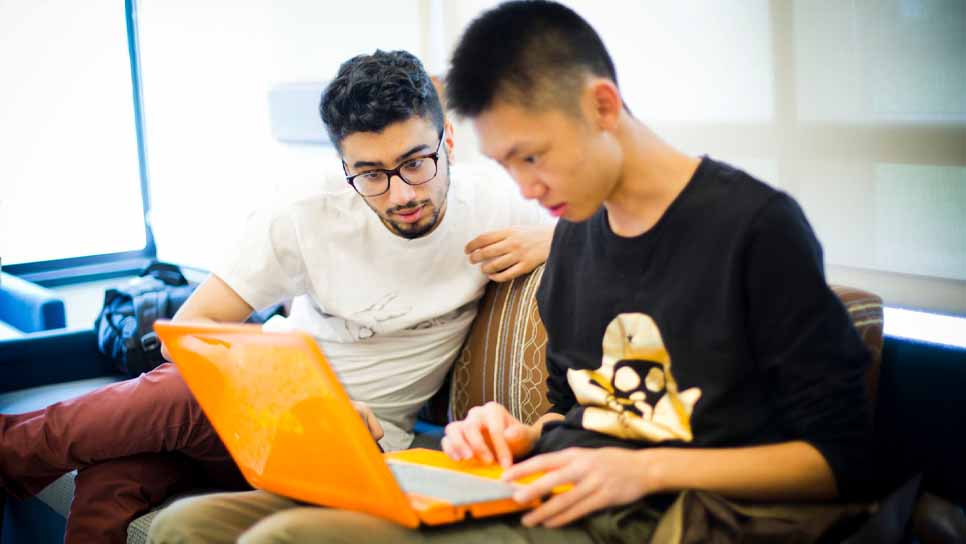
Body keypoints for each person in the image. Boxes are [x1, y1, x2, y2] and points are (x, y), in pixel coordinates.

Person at [147, 2, 877, 543]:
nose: (525, 191)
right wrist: (513, 434)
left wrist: (648, 470)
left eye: (533, 156)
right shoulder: (575, 240)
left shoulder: (754, 229)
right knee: (189, 527)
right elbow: (578, 417)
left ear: (602, 106)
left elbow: (840, 458)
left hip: (657, 515)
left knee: (284, 541)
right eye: (506, 166)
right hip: (554, 488)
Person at [0, 49, 553, 543]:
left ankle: (12, 451)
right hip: (264, 412)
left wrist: (553, 235)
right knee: (152, 427)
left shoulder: (497, 202)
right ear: (344, 168)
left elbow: (621, 219)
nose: (402, 193)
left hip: (361, 446)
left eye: (416, 163)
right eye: (371, 174)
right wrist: (302, 399)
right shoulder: (304, 211)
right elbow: (191, 336)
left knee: (118, 464)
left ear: (448, 141)